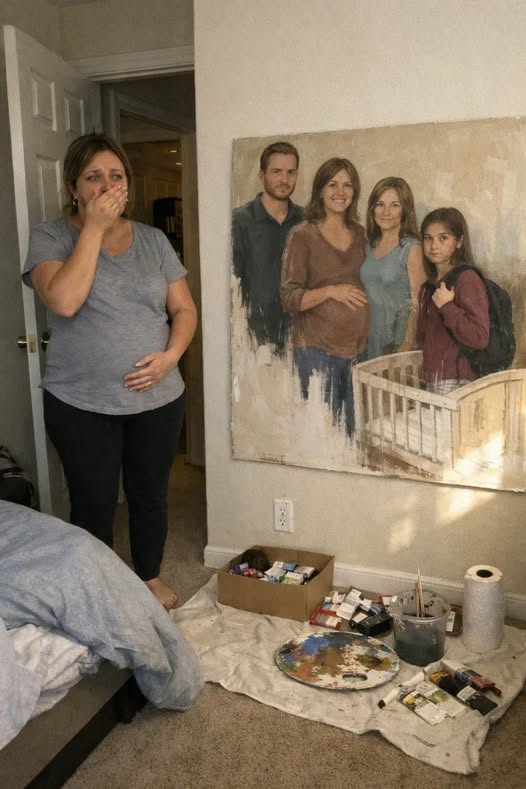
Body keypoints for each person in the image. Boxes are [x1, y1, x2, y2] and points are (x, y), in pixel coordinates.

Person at [22, 133, 198, 611]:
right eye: (93, 177)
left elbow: (183, 309)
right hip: (80, 403)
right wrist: (94, 229)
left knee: (149, 494)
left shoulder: (154, 240)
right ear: (73, 187)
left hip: (158, 398)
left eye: (115, 176)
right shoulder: (50, 237)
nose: (106, 185)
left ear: (128, 183)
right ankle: (97, 589)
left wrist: (170, 357)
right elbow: (64, 300)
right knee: (93, 501)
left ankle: (148, 577)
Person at [281, 157, 369, 438]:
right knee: (322, 439)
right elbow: (289, 298)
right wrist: (332, 291)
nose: (340, 191)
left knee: (353, 437)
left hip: (358, 353)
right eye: (332, 184)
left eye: (347, 185)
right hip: (316, 352)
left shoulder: (360, 234)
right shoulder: (302, 235)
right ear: (320, 190)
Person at [232, 141, 304, 356]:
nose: (284, 180)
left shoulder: (307, 220)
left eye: (291, 172)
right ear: (261, 175)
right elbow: (232, 286)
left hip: (301, 338)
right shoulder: (238, 221)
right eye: (277, 172)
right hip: (255, 341)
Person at [417, 207, 489, 394]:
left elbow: (480, 337)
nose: (434, 245)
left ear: (459, 242)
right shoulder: (429, 286)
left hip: (458, 382)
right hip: (433, 380)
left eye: (443, 238)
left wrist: (448, 307)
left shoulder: (467, 279)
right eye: (428, 238)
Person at [360, 176, 426, 359]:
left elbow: (419, 303)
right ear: (372, 208)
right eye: (380, 204)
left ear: (405, 210)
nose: (386, 212)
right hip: (368, 339)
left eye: (395, 205)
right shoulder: (369, 246)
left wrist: (407, 344)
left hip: (397, 343)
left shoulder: (411, 248)